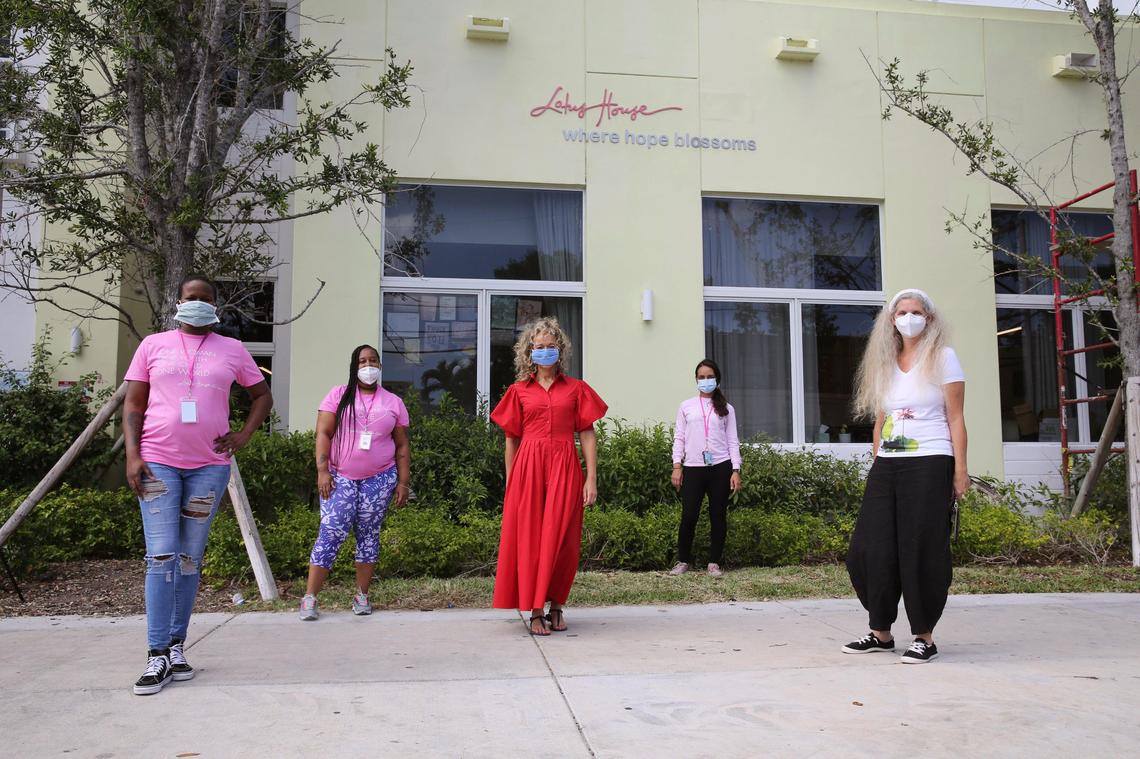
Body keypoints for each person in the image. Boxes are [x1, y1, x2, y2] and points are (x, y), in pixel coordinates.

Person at [124, 274, 273, 695]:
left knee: (189, 558)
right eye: (191, 297)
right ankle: (155, 654)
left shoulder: (233, 350)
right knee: (161, 555)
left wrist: (243, 435)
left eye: (205, 298)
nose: (198, 303)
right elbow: (134, 403)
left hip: (209, 467)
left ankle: (176, 647)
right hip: (157, 465)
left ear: (216, 305)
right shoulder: (152, 346)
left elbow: (262, 395)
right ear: (178, 302)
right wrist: (133, 456)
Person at [842, 288, 968, 664]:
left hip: (931, 460)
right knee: (869, 548)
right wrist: (877, 455)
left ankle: (924, 637)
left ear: (929, 319)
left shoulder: (943, 358)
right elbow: (881, 420)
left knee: (920, 548)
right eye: (902, 312)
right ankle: (880, 632)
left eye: (916, 312)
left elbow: (957, 418)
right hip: (888, 463)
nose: (908, 318)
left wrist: (960, 471)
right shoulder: (885, 360)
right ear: (891, 319)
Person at [490, 317, 607, 635]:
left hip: (565, 466)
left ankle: (557, 605)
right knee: (531, 540)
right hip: (528, 468)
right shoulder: (518, 391)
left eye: (550, 347)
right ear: (529, 351)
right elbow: (511, 439)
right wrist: (511, 480)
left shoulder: (576, 389)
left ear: (561, 350)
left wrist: (591, 477)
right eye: (539, 347)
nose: (545, 352)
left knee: (564, 539)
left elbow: (587, 433)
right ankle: (536, 610)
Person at [299, 345, 411, 620]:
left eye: (373, 360)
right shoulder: (338, 395)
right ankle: (310, 597)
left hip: (380, 479)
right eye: (362, 361)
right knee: (331, 532)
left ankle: (362, 595)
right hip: (340, 477)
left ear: (380, 366)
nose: (368, 365)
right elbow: (323, 433)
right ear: (354, 366)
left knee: (369, 535)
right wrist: (322, 471)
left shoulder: (393, 402)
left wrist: (403, 483)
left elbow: (402, 445)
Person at [669, 359, 742, 577]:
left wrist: (735, 470)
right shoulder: (686, 406)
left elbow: (733, 441)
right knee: (689, 515)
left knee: (717, 515)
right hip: (693, 467)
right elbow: (679, 437)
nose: (706, 381)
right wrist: (677, 466)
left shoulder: (727, 409)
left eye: (709, 377)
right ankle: (683, 560)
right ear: (696, 380)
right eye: (701, 377)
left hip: (720, 467)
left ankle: (714, 562)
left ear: (717, 379)